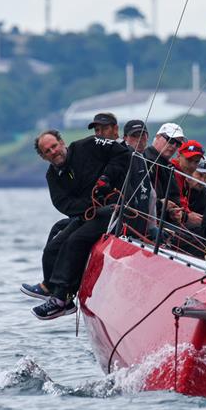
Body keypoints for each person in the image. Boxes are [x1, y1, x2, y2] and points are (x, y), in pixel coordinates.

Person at [22, 129, 129, 319]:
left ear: (62, 142)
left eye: (54, 146)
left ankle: (61, 299)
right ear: (43, 157)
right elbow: (62, 203)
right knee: (54, 247)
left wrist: (107, 178)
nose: (53, 152)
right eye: (47, 151)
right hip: (89, 214)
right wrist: (89, 206)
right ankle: (51, 287)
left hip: (115, 207)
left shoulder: (88, 145)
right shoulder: (52, 176)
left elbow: (121, 153)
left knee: (75, 241)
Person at [143, 122, 185, 224]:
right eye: (171, 140)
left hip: (164, 222)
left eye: (178, 144)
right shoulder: (144, 159)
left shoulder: (168, 167)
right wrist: (161, 204)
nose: (174, 146)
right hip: (146, 221)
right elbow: (141, 195)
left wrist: (176, 212)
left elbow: (175, 197)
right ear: (157, 137)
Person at [120, 120, 154, 236]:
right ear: (125, 138)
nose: (139, 140)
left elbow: (151, 195)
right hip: (127, 226)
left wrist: (152, 227)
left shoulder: (144, 157)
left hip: (142, 226)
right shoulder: (126, 155)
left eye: (142, 135)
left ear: (147, 136)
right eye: (134, 136)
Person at [171, 139, 205, 227]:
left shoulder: (183, 175)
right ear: (178, 156)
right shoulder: (173, 173)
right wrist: (188, 216)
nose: (193, 166)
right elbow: (178, 203)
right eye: (189, 160)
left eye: (196, 162)